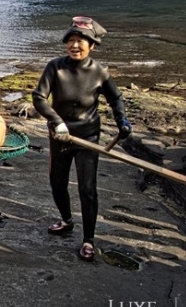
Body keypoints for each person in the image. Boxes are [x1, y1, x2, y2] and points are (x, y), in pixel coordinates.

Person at [31, 16, 132, 262]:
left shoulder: (100, 72)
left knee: (88, 188)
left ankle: (89, 239)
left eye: (81, 41)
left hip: (88, 135)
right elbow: (39, 97)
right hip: (61, 135)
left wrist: (122, 121)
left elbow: (116, 98)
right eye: (71, 41)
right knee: (57, 182)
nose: (75, 46)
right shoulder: (55, 67)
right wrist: (57, 123)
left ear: (92, 46)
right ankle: (66, 220)